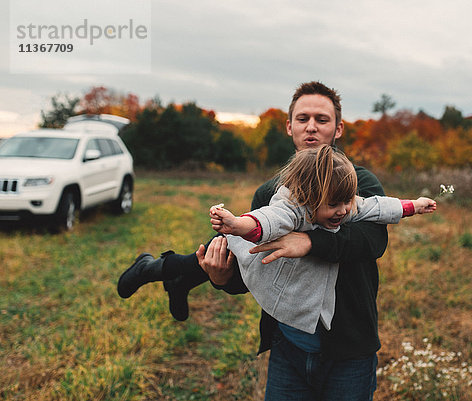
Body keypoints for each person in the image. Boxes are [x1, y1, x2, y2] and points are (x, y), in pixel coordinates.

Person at [117, 81, 423, 400]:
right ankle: (175, 274)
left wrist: (308, 243)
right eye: (303, 119)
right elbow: (258, 267)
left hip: (349, 352)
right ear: (289, 126)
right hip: (288, 349)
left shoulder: (358, 181)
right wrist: (220, 278)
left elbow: (372, 242)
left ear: (339, 128)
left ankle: (167, 272)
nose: (312, 127)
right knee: (228, 241)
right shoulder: (270, 192)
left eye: (322, 119)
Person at [208, 144, 435, 335]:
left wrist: (413, 206)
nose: (344, 211)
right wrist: (238, 225)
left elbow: (375, 206)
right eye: (333, 205)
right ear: (308, 197)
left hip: (335, 324)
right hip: (276, 280)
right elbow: (269, 218)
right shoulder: (294, 207)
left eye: (347, 201)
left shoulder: (344, 203)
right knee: (215, 249)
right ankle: (178, 269)